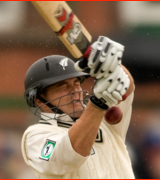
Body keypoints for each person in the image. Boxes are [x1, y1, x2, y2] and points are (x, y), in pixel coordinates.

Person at [21, 36, 135, 179]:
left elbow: (126, 86)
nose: (75, 90)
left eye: (76, 83)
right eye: (63, 86)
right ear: (39, 101)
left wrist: (112, 66)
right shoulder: (35, 137)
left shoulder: (104, 119)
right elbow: (69, 155)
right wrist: (97, 104)